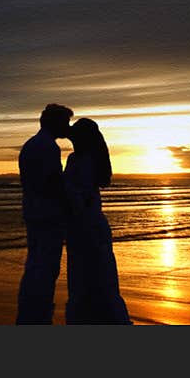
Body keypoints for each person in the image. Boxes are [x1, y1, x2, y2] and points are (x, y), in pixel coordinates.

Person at [63, 118, 132, 324]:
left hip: (84, 226)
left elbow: (77, 195)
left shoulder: (79, 160)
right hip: (92, 224)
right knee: (102, 279)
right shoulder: (93, 159)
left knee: (85, 278)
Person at [16, 103, 73, 324]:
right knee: (45, 266)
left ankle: (31, 311)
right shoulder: (47, 147)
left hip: (34, 210)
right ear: (55, 123)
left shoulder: (31, 144)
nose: (67, 128)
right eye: (64, 123)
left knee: (36, 263)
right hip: (47, 214)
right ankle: (37, 313)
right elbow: (52, 183)